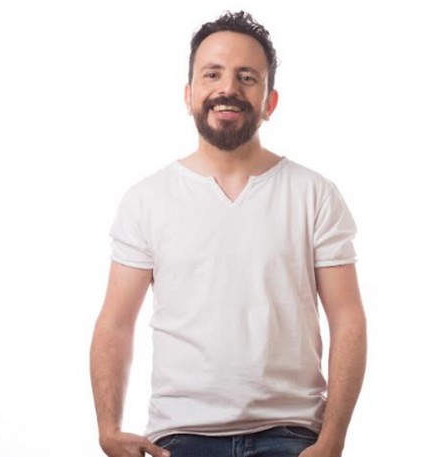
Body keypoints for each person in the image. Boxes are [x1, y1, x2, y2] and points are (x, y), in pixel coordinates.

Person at [90, 11, 367, 457]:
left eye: (246, 77)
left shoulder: (314, 194)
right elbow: (115, 323)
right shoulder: (146, 200)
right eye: (212, 74)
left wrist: (333, 438)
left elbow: (348, 319)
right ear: (189, 94)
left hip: (291, 434)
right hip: (181, 436)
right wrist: (108, 427)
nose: (228, 89)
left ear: (269, 101)